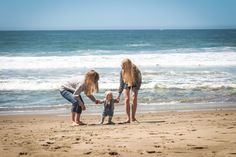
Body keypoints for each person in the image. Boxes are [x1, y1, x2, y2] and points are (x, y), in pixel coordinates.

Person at [117, 58, 142, 123]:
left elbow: (139, 81)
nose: (122, 67)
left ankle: (133, 117)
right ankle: (128, 118)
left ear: (127, 65)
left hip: (135, 83)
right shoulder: (122, 71)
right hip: (127, 82)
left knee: (134, 98)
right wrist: (119, 94)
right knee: (127, 99)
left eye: (123, 65)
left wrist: (136, 90)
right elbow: (121, 83)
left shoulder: (136, 70)